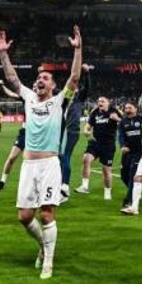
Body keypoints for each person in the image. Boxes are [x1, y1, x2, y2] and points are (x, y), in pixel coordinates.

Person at [0, 25, 82, 279]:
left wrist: (78, 50)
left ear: (54, 85)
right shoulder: (30, 97)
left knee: (46, 214)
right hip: (28, 164)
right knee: (24, 216)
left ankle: (48, 262)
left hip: (49, 164)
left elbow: (74, 79)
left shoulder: (60, 101)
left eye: (45, 78)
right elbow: (12, 78)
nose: (40, 80)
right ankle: (42, 246)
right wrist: (3, 54)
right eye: (38, 77)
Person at [75, 97, 121, 200]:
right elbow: (88, 125)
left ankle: (107, 192)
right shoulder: (95, 112)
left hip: (108, 144)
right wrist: (86, 130)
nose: (100, 103)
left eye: (102, 101)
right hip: (95, 142)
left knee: (106, 169)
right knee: (86, 159)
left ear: (108, 103)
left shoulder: (114, 111)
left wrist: (117, 119)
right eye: (99, 101)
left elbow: (124, 122)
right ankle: (84, 186)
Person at [59, 64, 91, 202]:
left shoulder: (78, 98)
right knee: (60, 157)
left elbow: (87, 88)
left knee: (64, 156)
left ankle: (64, 189)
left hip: (70, 130)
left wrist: (87, 73)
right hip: (61, 131)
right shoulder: (62, 97)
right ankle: (60, 185)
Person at [0, 80, 25, 191]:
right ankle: (2, 181)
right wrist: (2, 86)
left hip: (39, 134)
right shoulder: (28, 98)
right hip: (25, 132)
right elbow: (11, 94)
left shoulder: (46, 101)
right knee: (12, 157)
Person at [119, 100, 142, 210]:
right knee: (123, 175)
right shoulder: (123, 121)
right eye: (126, 108)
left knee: (132, 175)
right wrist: (123, 145)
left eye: (130, 108)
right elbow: (121, 136)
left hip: (139, 152)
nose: (127, 110)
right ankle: (135, 190)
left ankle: (129, 200)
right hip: (127, 152)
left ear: (135, 109)